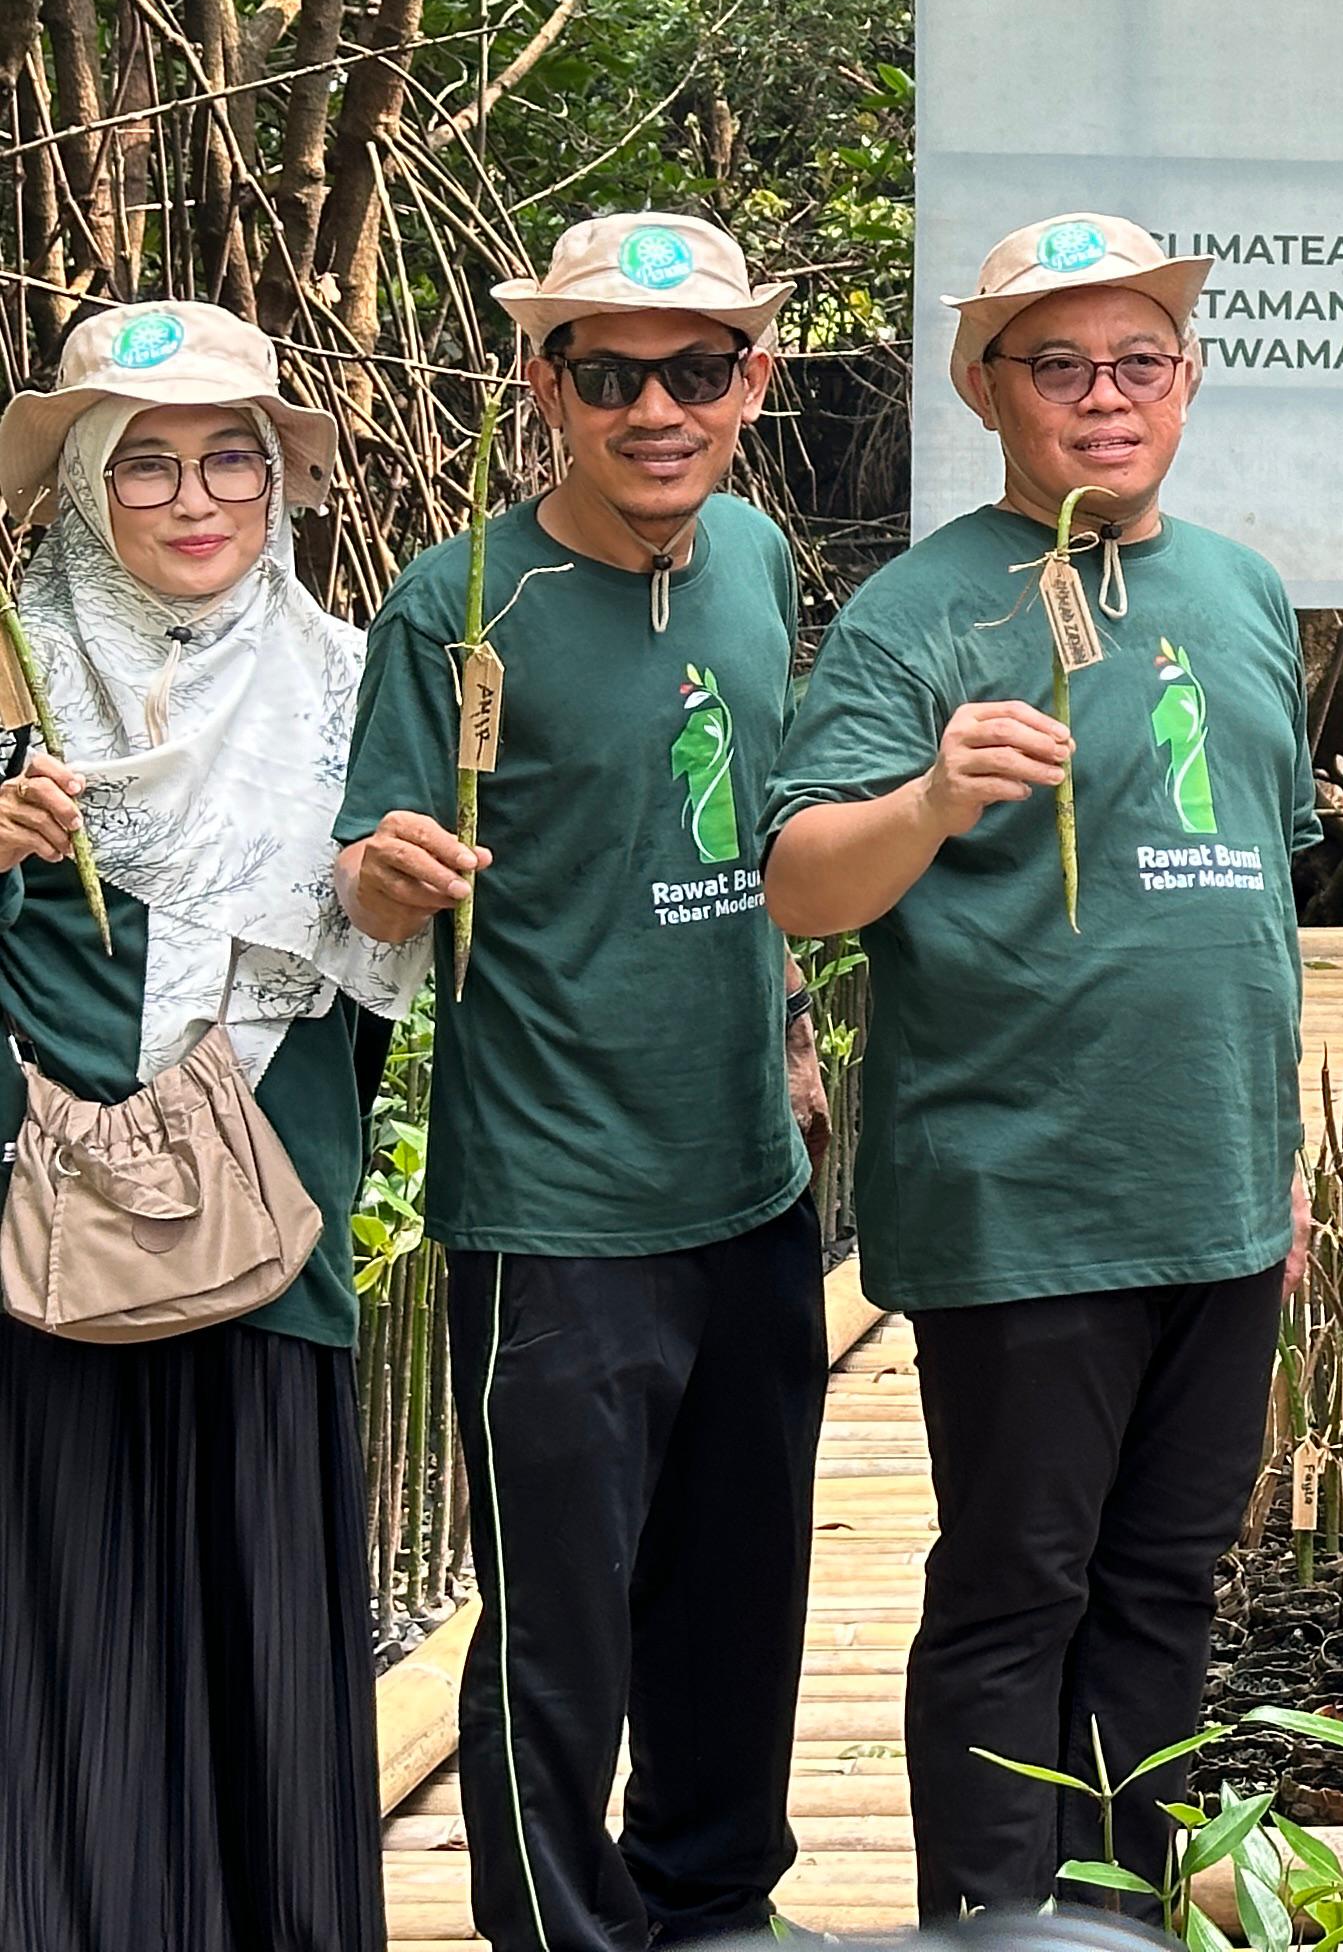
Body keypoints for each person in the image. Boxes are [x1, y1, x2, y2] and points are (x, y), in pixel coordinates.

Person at [765, 212, 1315, 1922]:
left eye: (1135, 359)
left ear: (1188, 374)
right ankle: (994, 1920)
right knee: (1018, 1583)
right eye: (1057, 363)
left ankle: (1121, 1910)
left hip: (1216, 1188)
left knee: (1164, 1586)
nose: (1101, 397)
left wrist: (1276, 1144)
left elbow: (1265, 897)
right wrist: (931, 798)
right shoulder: (918, 610)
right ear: (986, 385)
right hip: (1023, 1189)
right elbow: (801, 880)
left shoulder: (1239, 587)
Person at [336, 215, 824, 1952]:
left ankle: (716, 1902)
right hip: (552, 1202)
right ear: (547, 383)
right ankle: (564, 1932)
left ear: (753, 380)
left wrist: (793, 1022)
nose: (655, 407)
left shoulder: (760, 557)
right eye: (608, 372)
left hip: (753, 1183)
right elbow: (370, 872)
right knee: (563, 1626)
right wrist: (388, 872)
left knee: (740, 1592)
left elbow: (763, 834)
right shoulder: (459, 599)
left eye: (697, 368)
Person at [0, 301, 410, 1952]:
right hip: (47, 1222)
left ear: (277, 483)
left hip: (271, 1222)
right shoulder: (11, 668)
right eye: (146, 462)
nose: (193, 497)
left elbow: (380, 976)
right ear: (87, 487)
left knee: (263, 1608)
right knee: (73, 1615)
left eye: (229, 456)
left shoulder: (346, 683)